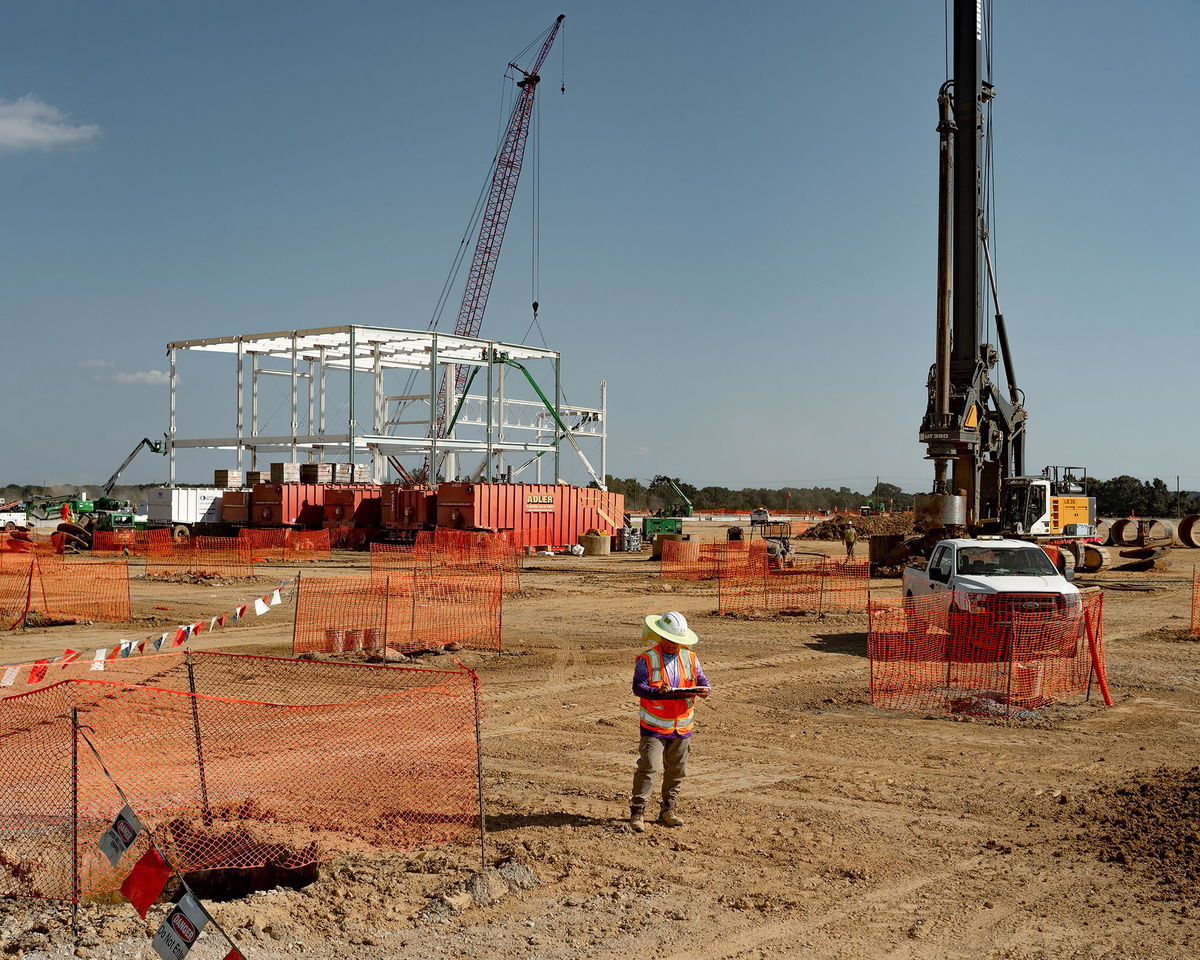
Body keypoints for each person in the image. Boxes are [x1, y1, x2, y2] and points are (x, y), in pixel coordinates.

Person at [629, 611, 711, 832]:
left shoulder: (691, 658)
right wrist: (657, 692)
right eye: (669, 639)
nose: (673, 645)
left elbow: (703, 681)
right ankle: (638, 812)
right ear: (661, 636)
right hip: (654, 727)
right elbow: (638, 687)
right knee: (648, 768)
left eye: (677, 641)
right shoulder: (647, 658)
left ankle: (668, 810)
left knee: (676, 770)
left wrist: (704, 690)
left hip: (682, 726)